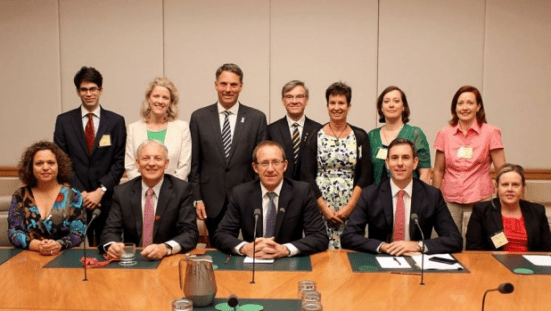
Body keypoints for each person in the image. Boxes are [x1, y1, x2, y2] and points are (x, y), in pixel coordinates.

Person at [341, 138, 462, 255]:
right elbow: (348, 236)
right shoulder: (370, 194)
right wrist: (382, 246)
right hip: (381, 261)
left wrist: (418, 245)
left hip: (417, 262)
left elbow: (454, 239)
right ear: (387, 163)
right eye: (394, 158)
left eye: (405, 158)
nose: (399, 163)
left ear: (415, 163)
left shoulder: (432, 195)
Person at [189, 63, 267, 238]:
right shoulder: (199, 117)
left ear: (241, 87)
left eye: (233, 85)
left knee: (251, 248)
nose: (228, 89)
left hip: (248, 197)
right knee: (219, 249)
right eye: (223, 84)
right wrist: (197, 198)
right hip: (211, 200)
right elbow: (194, 162)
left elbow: (261, 163)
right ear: (216, 85)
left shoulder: (256, 118)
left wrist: (259, 198)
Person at [212, 141, 328, 258]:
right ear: (255, 167)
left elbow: (319, 237)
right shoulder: (241, 194)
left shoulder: (302, 192)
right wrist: (245, 248)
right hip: (254, 262)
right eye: (264, 163)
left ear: (285, 165)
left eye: (276, 162)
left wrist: (286, 249)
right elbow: (221, 235)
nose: (270, 169)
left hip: (289, 264)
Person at [54, 66, 126, 246]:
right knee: (75, 250)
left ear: (100, 90)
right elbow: (62, 161)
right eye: (84, 89)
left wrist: (100, 192)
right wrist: (83, 193)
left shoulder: (116, 121)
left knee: (107, 246)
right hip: (75, 197)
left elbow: (120, 161)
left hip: (107, 197)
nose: (88, 93)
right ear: (78, 92)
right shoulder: (64, 121)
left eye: (93, 89)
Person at [99, 139, 198, 260]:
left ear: (166, 163)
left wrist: (165, 248)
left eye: (158, 158)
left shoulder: (181, 190)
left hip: (168, 259)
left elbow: (190, 233)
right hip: (134, 260)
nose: (151, 163)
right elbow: (110, 230)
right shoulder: (122, 192)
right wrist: (112, 245)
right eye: (145, 158)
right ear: (137, 163)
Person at [302, 82, 373, 249]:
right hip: (320, 204)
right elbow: (307, 174)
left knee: (350, 249)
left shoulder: (360, 136)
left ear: (349, 106)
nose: (337, 107)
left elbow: (365, 175)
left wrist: (350, 207)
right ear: (327, 106)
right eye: (332, 103)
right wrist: (324, 209)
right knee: (319, 250)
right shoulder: (314, 136)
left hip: (352, 204)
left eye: (341, 103)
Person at [433, 85, 506, 235]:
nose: (465, 108)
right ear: (454, 108)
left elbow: (502, 170)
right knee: (450, 241)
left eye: (470, 103)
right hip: (450, 198)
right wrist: (434, 199)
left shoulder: (491, 132)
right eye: (460, 103)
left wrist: (503, 199)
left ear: (478, 106)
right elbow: (439, 170)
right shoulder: (444, 133)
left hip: (480, 198)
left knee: (478, 243)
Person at [8, 141, 86, 255]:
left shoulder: (73, 196)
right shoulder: (20, 195)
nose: (45, 167)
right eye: (39, 163)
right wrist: (38, 245)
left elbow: (79, 233)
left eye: (51, 163)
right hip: (28, 257)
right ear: (30, 167)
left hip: (64, 257)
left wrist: (58, 244)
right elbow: (13, 232)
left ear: (59, 166)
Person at [466, 164, 551, 252]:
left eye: (515, 185)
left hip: (529, 264)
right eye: (505, 185)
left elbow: (547, 249)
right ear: (497, 186)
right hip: (493, 263)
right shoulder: (481, 210)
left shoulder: (537, 211)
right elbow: (474, 249)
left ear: (523, 187)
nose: (510, 189)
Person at [125, 77, 191, 180]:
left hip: (174, 192)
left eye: (165, 97)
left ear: (171, 102)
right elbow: (130, 166)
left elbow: (184, 167)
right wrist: (146, 189)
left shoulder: (182, 128)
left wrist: (169, 190)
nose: (160, 101)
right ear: (148, 98)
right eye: (156, 96)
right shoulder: (133, 129)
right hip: (141, 193)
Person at [368, 86, 431, 184]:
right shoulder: (372, 136)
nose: (391, 105)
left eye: (396, 101)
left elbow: (425, 173)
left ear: (403, 106)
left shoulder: (415, 134)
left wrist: (419, 197)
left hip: (409, 196)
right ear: (381, 108)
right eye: (386, 101)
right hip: (377, 196)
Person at [267, 80, 321, 181]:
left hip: (310, 191)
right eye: (289, 97)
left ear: (307, 100)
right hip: (280, 190)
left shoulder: (318, 130)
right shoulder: (271, 130)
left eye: (299, 96)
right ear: (283, 101)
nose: (294, 101)